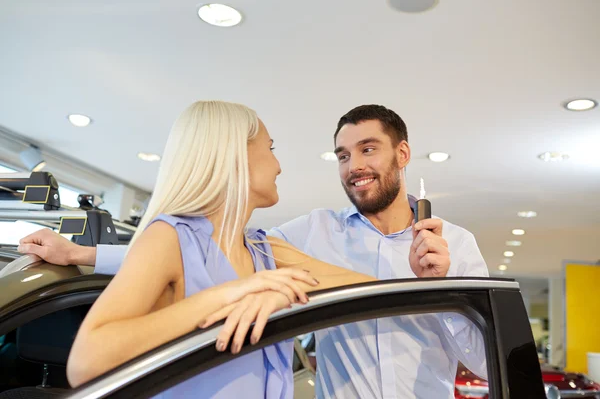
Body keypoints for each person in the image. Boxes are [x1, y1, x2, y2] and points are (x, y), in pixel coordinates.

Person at [19, 104, 488, 399]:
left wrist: (438, 287)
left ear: (402, 155)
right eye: (344, 155)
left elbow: (368, 293)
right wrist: (82, 255)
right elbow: (183, 255)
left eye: (368, 150)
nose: (353, 166)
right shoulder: (297, 236)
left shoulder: (454, 244)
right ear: (233, 156)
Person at [59, 100, 374, 398]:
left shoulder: (265, 250)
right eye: (270, 148)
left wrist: (285, 292)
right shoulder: (169, 237)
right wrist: (230, 294)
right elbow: (86, 362)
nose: (278, 166)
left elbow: (367, 289)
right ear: (235, 154)